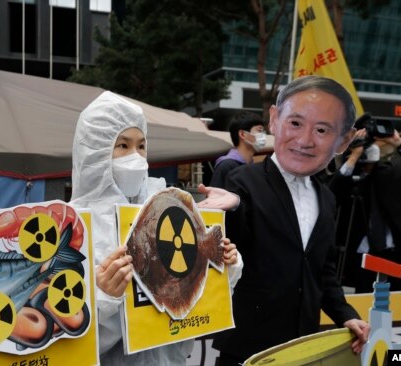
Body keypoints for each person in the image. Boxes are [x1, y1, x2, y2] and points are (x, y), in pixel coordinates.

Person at [198, 75, 369, 365]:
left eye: (322, 129)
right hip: (247, 350)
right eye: (295, 123)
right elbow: (225, 245)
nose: (304, 140)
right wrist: (231, 208)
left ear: (344, 141)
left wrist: (346, 315)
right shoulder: (241, 182)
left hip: (303, 349)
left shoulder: (326, 198)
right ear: (275, 120)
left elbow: (322, 272)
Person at [69, 91, 243, 365]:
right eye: (122, 146)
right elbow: (67, 337)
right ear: (94, 152)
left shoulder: (165, 211)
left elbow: (188, 310)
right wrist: (102, 300)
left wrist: (221, 270)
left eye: (141, 146)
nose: (135, 157)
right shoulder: (75, 228)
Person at [329, 127, 401, 293]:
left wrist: (398, 142)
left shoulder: (394, 173)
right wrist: (354, 155)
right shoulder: (354, 178)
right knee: (365, 305)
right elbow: (333, 193)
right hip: (364, 253)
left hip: (396, 252)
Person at [209, 111, 266, 188]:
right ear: (242, 134)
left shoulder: (254, 167)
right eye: (259, 130)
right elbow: (214, 197)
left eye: (263, 131)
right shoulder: (226, 166)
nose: (263, 136)